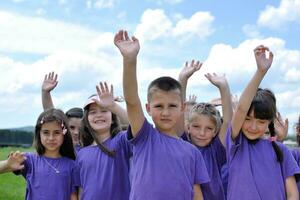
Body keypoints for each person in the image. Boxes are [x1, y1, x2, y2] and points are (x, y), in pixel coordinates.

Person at [114, 29, 209, 200]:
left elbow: (196, 193)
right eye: (159, 106)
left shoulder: (192, 152)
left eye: (172, 106)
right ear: (148, 108)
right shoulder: (145, 137)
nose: (165, 112)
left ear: (182, 108)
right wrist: (129, 59)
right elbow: (131, 100)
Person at [226, 45, 300, 199]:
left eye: (260, 121)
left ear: (269, 122)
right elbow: (240, 108)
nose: (253, 127)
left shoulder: (282, 150)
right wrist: (260, 72)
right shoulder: (236, 145)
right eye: (248, 119)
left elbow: (293, 194)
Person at [0, 108, 78, 200]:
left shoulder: (72, 165)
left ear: (64, 134)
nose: (51, 138)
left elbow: (73, 196)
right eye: (46, 132)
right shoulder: (29, 160)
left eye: (57, 132)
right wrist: (7, 165)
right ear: (39, 133)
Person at [76, 81, 132, 200]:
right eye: (93, 112)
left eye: (104, 110)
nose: (98, 115)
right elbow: (81, 189)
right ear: (86, 121)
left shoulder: (121, 141)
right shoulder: (81, 153)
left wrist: (114, 106)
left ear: (112, 118)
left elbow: (139, 126)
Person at [186, 73, 232, 200]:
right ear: (188, 127)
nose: (202, 133)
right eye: (196, 127)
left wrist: (223, 87)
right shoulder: (183, 145)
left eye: (209, 128)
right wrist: (183, 79)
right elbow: (179, 112)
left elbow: (228, 121)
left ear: (215, 131)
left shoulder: (215, 150)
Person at [42, 72, 83, 150]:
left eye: (81, 129)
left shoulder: (89, 149)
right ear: (63, 127)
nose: (76, 132)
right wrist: (45, 93)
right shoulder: (61, 146)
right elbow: (51, 114)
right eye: (72, 127)